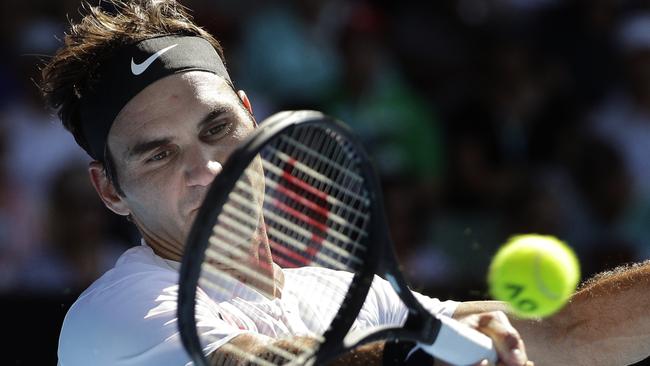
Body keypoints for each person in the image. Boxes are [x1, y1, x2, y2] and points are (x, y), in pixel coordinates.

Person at [38, 1, 646, 365]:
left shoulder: (353, 295)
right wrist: (413, 356)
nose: (208, 170)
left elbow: (567, 336)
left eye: (217, 127)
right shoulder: (111, 320)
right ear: (109, 189)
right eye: (158, 155)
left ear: (254, 119)